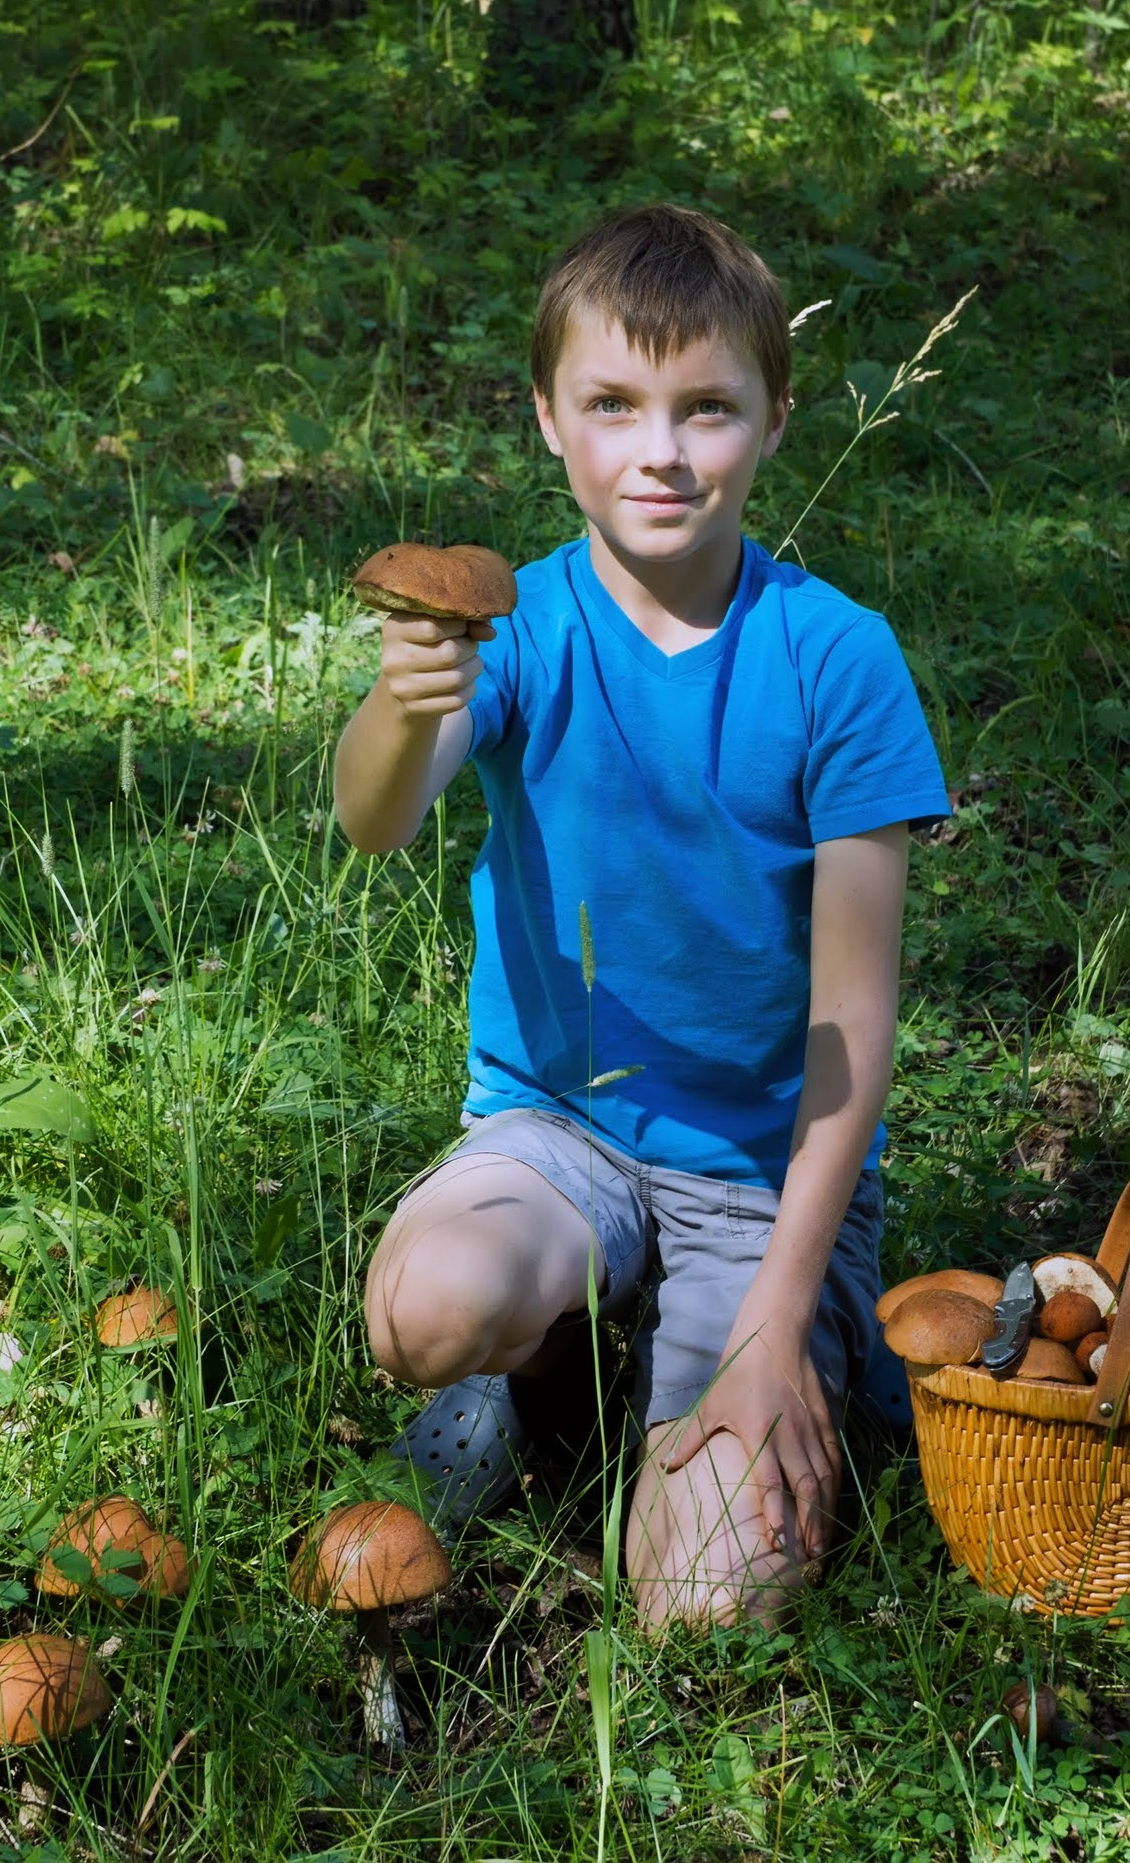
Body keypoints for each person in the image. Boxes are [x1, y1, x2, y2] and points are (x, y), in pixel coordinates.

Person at [332, 201, 951, 1630]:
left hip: (762, 1175)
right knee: (424, 1307)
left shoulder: (838, 661)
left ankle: (735, 1358)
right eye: (612, 404)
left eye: (706, 408)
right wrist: (396, 700)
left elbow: (851, 1027)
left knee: (702, 1601)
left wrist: (775, 1326)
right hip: (559, 1132)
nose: (659, 451)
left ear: (776, 418)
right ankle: (546, 1369)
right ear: (550, 417)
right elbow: (379, 817)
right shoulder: (516, 626)